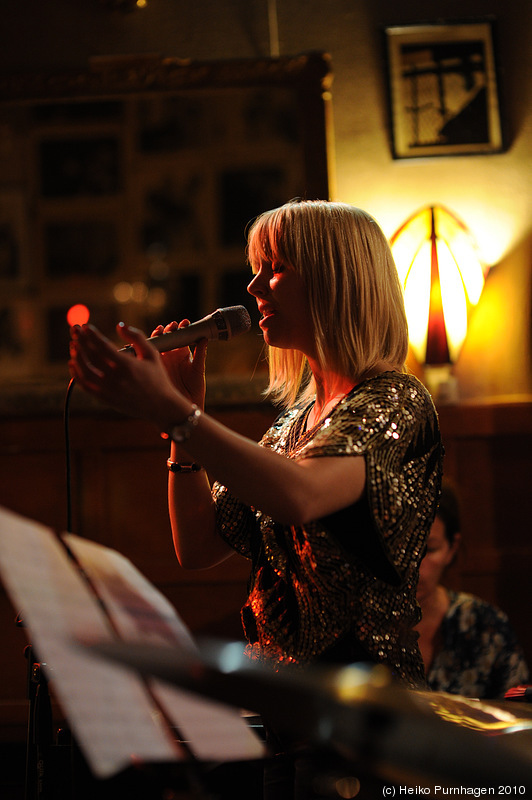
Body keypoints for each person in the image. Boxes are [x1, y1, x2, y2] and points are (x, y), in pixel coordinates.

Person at [69, 199, 443, 795]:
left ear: (331, 277)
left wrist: (178, 409)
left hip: (368, 730)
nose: (252, 285)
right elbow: (197, 544)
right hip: (285, 724)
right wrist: (178, 427)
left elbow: (302, 495)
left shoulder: (395, 403)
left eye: (274, 267)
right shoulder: (292, 423)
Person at [416, 482, 529, 699]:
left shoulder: (484, 624)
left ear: (452, 548)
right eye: (400, 550)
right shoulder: (363, 625)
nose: (413, 565)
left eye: (429, 549)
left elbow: (519, 712)